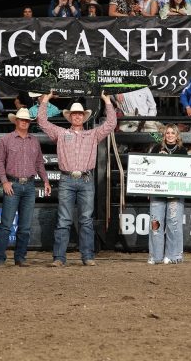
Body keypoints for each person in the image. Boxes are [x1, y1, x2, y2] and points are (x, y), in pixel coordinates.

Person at [37, 91, 117, 267]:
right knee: (64, 219)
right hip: (67, 178)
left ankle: (87, 256)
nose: (77, 117)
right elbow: (42, 121)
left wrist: (106, 101)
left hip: (85, 179)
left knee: (86, 220)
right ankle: (59, 257)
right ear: (70, 117)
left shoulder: (92, 134)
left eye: (80, 114)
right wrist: (46, 100)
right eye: (74, 114)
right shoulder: (60, 133)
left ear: (84, 116)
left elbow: (111, 123)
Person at [0, 108, 51, 267]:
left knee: (25, 226)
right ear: (16, 121)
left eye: (27, 120)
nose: (24, 122)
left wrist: (45, 180)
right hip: (13, 183)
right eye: (22, 119)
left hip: (30, 185)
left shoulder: (34, 141)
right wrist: (4, 181)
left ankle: (20, 257)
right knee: (6, 224)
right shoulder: (6, 140)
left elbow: (39, 163)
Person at [148, 124, 188, 265]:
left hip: (175, 191)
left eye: (172, 133)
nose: (170, 135)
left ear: (177, 136)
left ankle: (174, 255)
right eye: (167, 133)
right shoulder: (155, 149)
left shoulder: (183, 151)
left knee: (174, 223)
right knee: (155, 223)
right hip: (157, 190)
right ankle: (155, 256)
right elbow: (149, 168)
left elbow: (185, 171)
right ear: (164, 135)